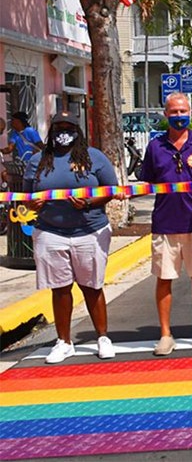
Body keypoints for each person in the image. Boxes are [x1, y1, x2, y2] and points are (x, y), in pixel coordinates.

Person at [24, 110, 121, 363]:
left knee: (92, 286)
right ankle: (64, 341)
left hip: (89, 231)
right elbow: (27, 197)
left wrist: (89, 202)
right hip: (50, 232)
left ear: (77, 131)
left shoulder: (94, 157)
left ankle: (102, 337)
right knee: (60, 289)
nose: (63, 132)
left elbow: (111, 190)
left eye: (68, 127)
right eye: (58, 127)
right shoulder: (37, 161)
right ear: (51, 130)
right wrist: (32, 206)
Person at [139, 93, 192, 355]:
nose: (179, 116)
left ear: (190, 113)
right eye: (173, 112)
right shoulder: (155, 147)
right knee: (164, 279)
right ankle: (165, 334)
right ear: (166, 114)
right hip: (165, 223)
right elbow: (146, 182)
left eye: (183, 111)